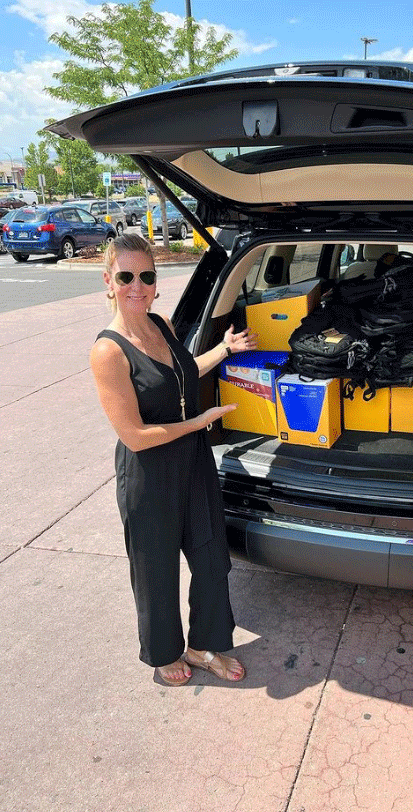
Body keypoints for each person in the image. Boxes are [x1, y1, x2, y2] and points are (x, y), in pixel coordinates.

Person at [90, 233, 257, 686]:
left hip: (193, 462)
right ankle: (164, 652)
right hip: (150, 472)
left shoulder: (160, 324)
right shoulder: (108, 351)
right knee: (156, 568)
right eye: (126, 276)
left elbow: (182, 374)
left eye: (146, 275)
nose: (136, 286)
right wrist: (199, 422)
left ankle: (203, 646)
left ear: (156, 281)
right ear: (109, 281)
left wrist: (224, 350)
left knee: (211, 559)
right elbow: (136, 436)